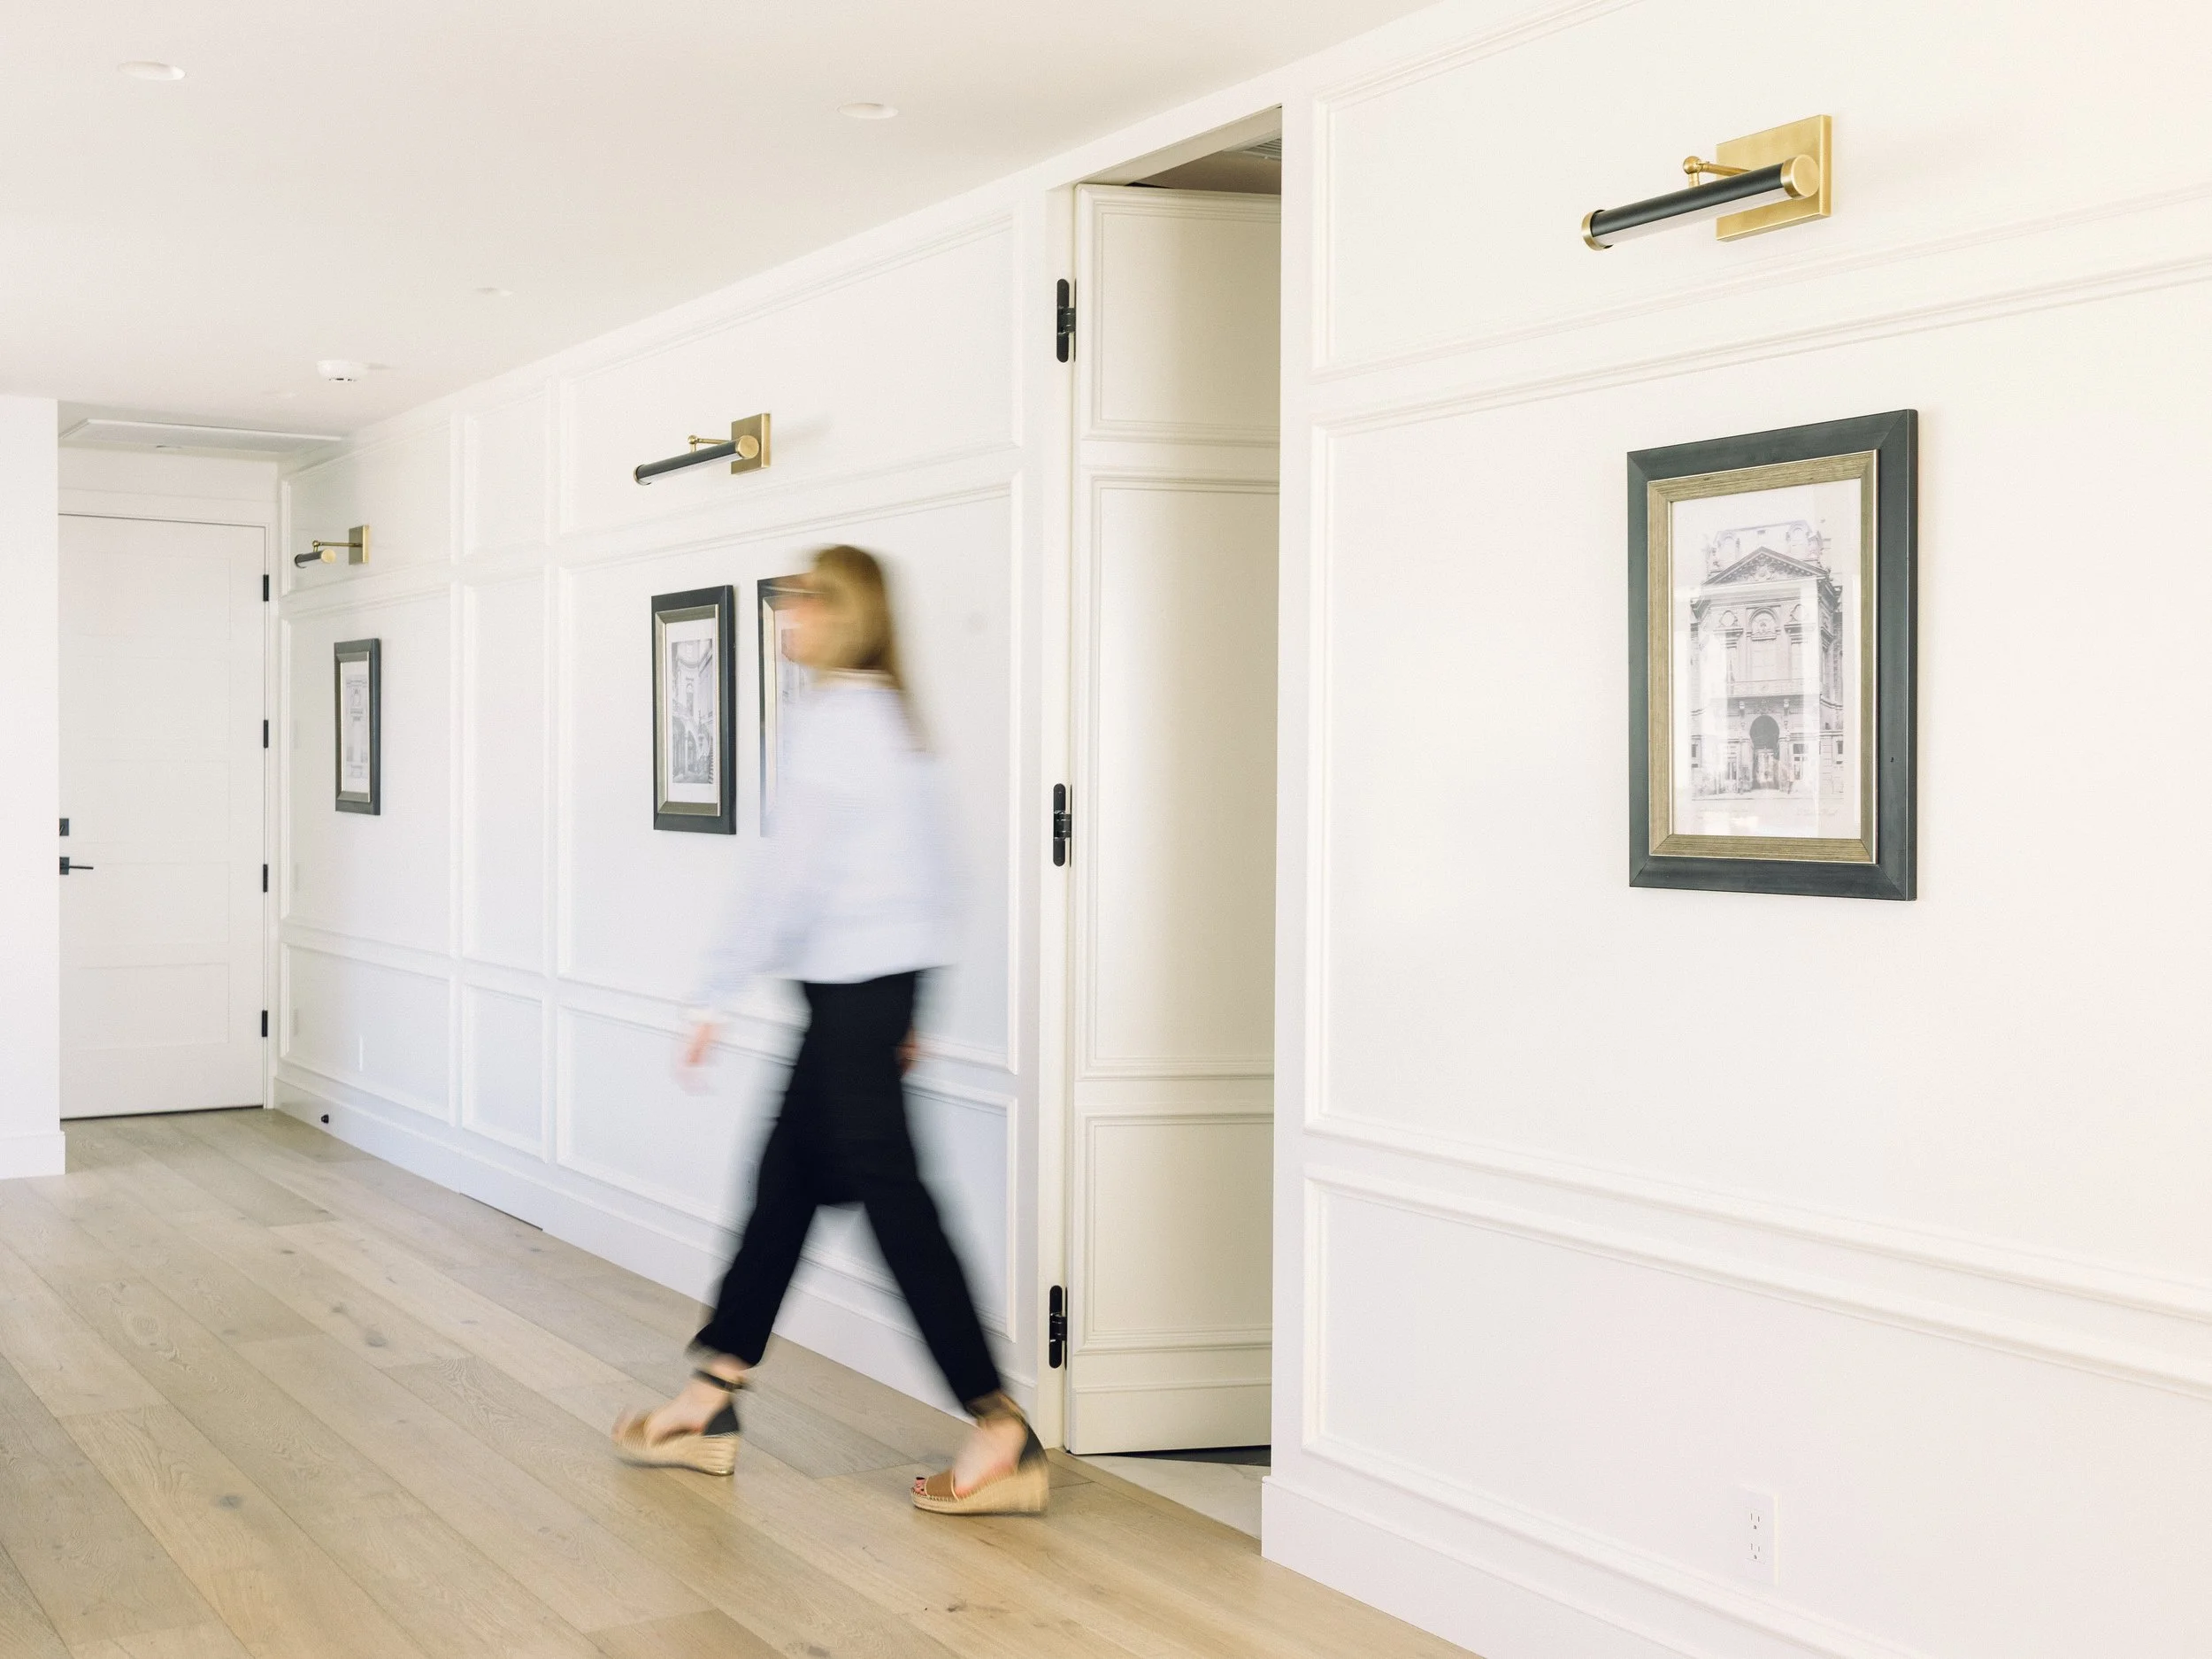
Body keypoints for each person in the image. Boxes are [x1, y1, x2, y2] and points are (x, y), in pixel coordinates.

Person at [611, 544, 1046, 1517]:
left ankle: (999, 1427)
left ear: (842, 612)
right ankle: (710, 1397)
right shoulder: (891, 717)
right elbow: (939, 874)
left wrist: (711, 991)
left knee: (896, 1210)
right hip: (866, 997)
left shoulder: (833, 720)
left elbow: (785, 875)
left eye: (803, 599)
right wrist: (911, 1007)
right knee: (785, 1188)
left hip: (852, 1001)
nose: (786, 614)